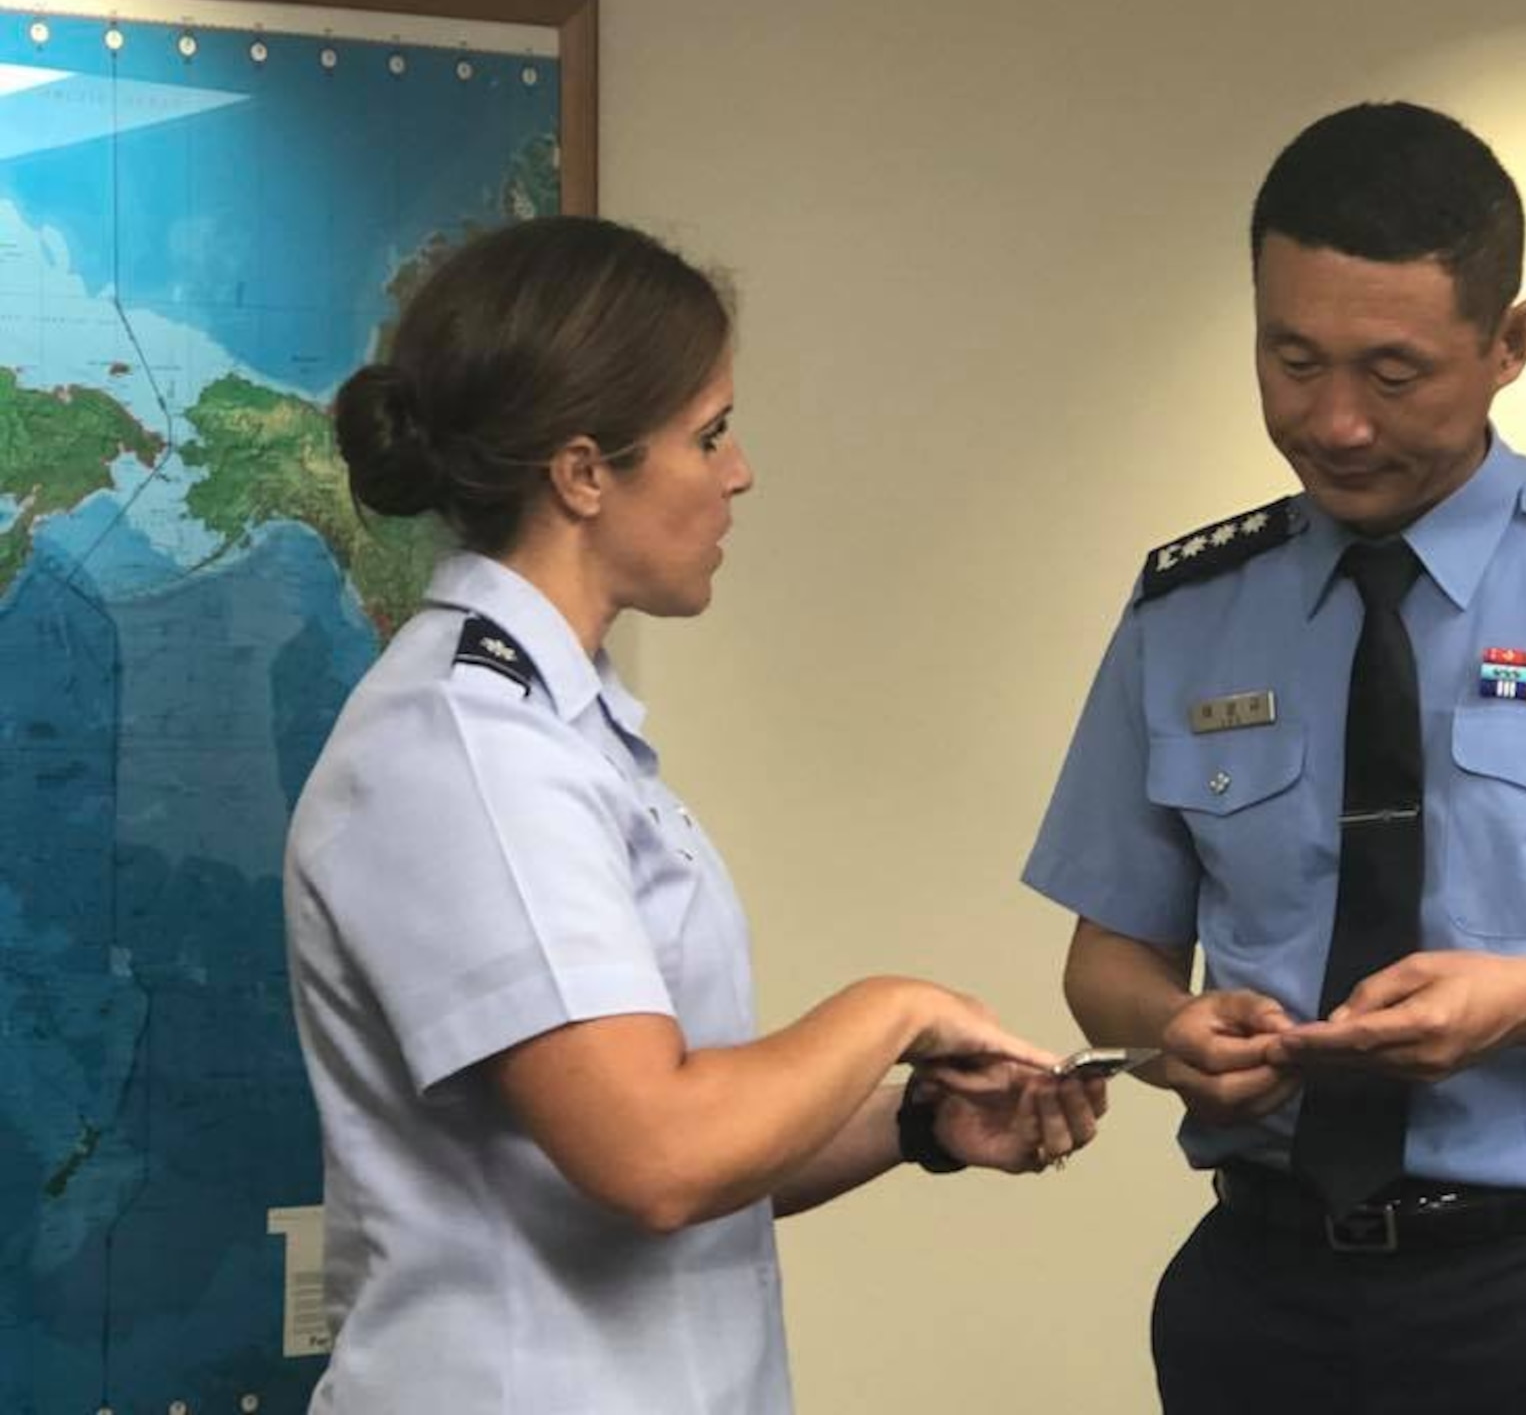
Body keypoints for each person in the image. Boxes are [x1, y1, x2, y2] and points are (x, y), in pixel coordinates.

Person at [1022, 101, 1526, 1414]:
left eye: (1392, 374)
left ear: (1509, 344)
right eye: (1291, 362)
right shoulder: (1188, 609)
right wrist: (1168, 1028)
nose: (1337, 422)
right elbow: (1108, 955)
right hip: (1261, 1292)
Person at [283, 215, 1103, 1415]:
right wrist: (896, 1008)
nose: (738, 470)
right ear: (581, 473)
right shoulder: (465, 749)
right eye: (706, 434)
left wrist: (919, 1125)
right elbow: (653, 1156)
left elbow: (669, 1139)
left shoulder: (563, 729)